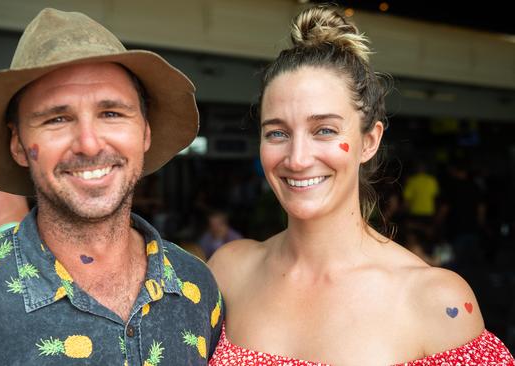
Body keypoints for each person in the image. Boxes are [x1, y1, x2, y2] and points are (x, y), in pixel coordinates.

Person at [0, 8, 222, 365]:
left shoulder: (196, 286)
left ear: (145, 132)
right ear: (18, 145)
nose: (89, 144)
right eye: (57, 119)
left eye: (112, 113)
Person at [207, 6, 514, 365]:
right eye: (277, 133)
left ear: (369, 141)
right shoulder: (228, 272)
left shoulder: (436, 301)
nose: (297, 158)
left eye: (325, 130)